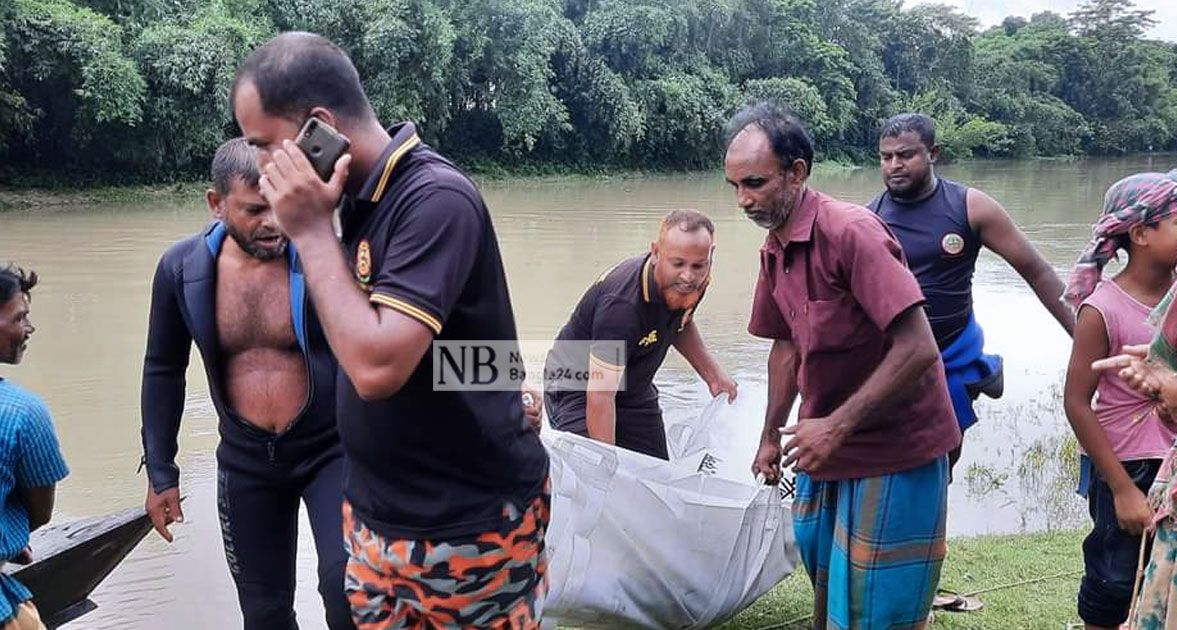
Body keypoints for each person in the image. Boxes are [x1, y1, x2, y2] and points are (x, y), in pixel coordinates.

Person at [232, 32, 550, 628]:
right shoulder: (352, 202)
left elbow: (377, 367)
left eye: (264, 144)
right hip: (377, 517)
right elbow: (467, 338)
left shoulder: (435, 199)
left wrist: (309, 232)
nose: (261, 167)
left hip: (468, 524)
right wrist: (508, 389)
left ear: (317, 127)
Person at [727, 102, 959, 628]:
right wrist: (768, 436)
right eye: (735, 186)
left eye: (756, 183)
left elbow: (919, 348)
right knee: (822, 566)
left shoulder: (852, 233)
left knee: (881, 599)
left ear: (797, 173)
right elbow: (784, 349)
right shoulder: (773, 249)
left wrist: (835, 425)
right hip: (824, 440)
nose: (744, 199)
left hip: (895, 444)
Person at [138, 138, 352, 630]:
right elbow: (162, 368)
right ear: (216, 204)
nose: (273, 222)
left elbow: (398, 338)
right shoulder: (182, 271)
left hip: (331, 451)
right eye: (255, 210)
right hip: (246, 462)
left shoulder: (324, 256)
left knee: (348, 589)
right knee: (264, 612)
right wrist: (162, 472)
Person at [871, 113, 1075, 469]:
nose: (894, 165)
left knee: (942, 462)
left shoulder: (970, 207)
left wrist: (1086, 339)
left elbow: (1038, 273)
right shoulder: (868, 219)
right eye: (886, 157)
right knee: (893, 464)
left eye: (906, 155)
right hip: (894, 358)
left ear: (933, 153)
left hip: (953, 353)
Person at [1062, 170, 1177, 630]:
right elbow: (1078, 402)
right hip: (1129, 465)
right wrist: (1121, 489)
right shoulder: (1103, 308)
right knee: (1114, 578)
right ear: (1140, 233)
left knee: (1172, 571)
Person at [543, 209, 737, 459]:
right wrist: (608, 462)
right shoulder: (622, 307)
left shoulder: (697, 281)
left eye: (698, 265)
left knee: (658, 475)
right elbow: (600, 394)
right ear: (656, 252)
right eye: (678, 264)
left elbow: (681, 321)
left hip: (633, 386)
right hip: (578, 387)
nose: (688, 276)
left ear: (709, 257)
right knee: (593, 474)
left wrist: (713, 375)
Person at [0, 264, 69, 630]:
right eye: (20, 317)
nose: (29, 329)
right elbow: (39, 513)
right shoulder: (23, 414)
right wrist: (10, 537)